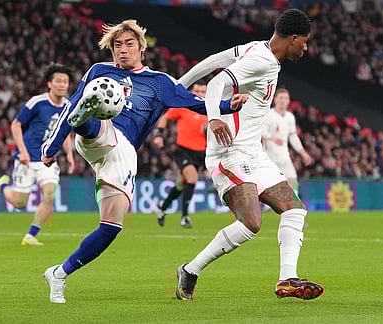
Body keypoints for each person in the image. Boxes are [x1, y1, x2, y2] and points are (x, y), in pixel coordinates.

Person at [39, 20, 248, 303]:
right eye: (117, 45)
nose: (122, 50)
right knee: (93, 114)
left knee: (111, 226)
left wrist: (226, 106)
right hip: (104, 135)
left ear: (141, 49)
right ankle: (86, 119)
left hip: (122, 155)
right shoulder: (99, 71)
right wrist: (51, 147)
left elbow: (195, 103)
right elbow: (71, 103)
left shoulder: (160, 83)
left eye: (129, 44)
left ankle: (59, 274)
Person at [175, 9, 324, 301]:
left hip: (254, 153)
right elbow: (217, 81)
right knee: (251, 223)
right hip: (229, 153)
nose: (306, 48)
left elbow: (211, 61)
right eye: (304, 41)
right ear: (293, 38)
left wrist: (177, 86)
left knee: (295, 209)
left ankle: (287, 281)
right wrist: (215, 117)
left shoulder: (257, 48)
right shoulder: (260, 59)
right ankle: (190, 270)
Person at [0, 63, 75, 247]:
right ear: (49, 83)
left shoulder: (68, 106)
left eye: (65, 81)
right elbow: (16, 124)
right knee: (19, 203)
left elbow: (64, 132)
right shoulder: (37, 102)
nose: (62, 85)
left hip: (48, 160)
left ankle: (31, 235)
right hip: (27, 158)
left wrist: (69, 155)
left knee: (49, 194)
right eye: (58, 81)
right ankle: (2, 185)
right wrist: (23, 151)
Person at [153, 80, 208, 228]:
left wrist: (209, 130)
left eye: (203, 92)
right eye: (198, 91)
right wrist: (158, 134)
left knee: (181, 183)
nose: (200, 94)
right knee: (192, 178)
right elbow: (165, 117)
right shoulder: (184, 107)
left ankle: (163, 208)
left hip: (200, 153)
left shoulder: (209, 110)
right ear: (192, 92)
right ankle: (185, 217)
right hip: (183, 150)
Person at [262, 87, 313, 196]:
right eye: (280, 97)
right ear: (275, 99)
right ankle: (265, 205)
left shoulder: (290, 117)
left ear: (289, 101)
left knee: (292, 180)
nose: (283, 100)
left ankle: (293, 205)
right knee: (265, 182)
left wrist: (304, 154)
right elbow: (262, 131)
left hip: (284, 155)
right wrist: (273, 138)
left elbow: (293, 137)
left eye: (285, 98)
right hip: (268, 156)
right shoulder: (269, 114)